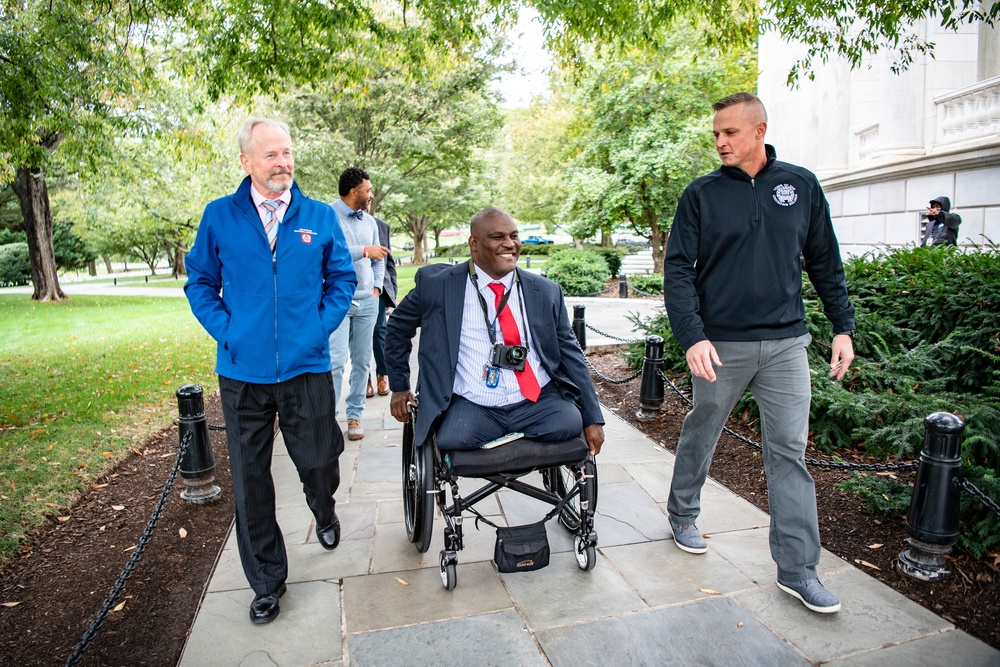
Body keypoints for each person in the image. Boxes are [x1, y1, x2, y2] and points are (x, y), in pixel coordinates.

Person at [662, 92, 855, 615]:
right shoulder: (700, 195)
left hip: (788, 343)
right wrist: (692, 336)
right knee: (703, 427)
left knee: (789, 452)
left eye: (729, 132)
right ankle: (682, 512)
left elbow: (824, 260)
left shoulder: (801, 185)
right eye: (716, 134)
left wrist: (843, 327)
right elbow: (678, 270)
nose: (720, 142)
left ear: (758, 131)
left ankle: (798, 570)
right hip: (719, 344)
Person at [184, 118, 357, 624]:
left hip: (306, 367)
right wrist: (230, 331)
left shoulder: (319, 216)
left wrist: (317, 329)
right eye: (270, 155)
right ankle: (266, 581)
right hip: (242, 374)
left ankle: (322, 506)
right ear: (246, 163)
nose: (282, 163)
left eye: (287, 153)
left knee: (321, 458)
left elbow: (341, 279)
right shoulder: (219, 217)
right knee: (251, 481)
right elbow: (199, 283)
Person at [385, 207, 605, 456]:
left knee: (569, 423)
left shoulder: (544, 291)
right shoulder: (438, 285)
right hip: (473, 402)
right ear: (474, 243)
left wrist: (592, 417)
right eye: (498, 237)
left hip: (537, 401)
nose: (509, 244)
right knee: (454, 436)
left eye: (514, 236)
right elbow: (396, 328)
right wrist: (400, 387)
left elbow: (570, 352)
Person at [327, 167, 389, 441]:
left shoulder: (370, 222)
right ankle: (328, 419)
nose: (371, 194)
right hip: (336, 300)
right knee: (336, 361)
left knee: (363, 362)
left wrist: (376, 288)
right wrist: (363, 251)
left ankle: (354, 416)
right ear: (354, 192)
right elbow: (326, 254)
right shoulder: (327, 216)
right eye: (368, 189)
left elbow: (380, 258)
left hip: (367, 302)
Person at [367, 210, 397, 398]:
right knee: (358, 339)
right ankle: (365, 380)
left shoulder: (382, 226)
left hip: (378, 290)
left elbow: (389, 263)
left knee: (379, 331)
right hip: (354, 289)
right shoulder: (340, 221)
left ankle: (382, 375)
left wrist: (391, 292)